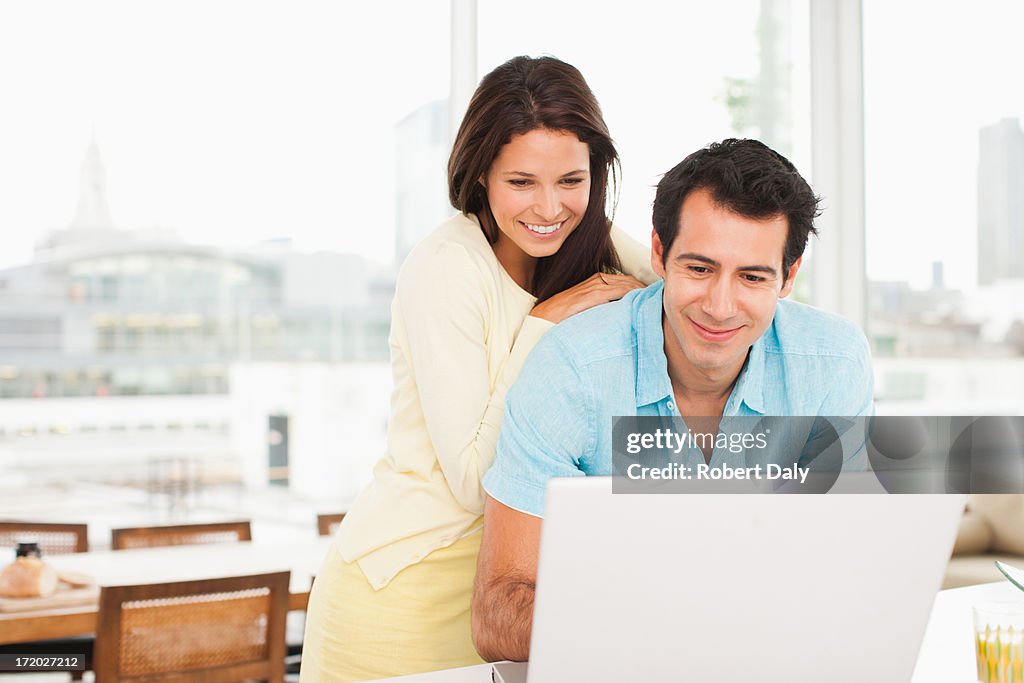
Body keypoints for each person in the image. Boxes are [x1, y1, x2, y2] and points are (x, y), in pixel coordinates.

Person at [300, 56, 657, 682]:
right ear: (482, 175)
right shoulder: (446, 267)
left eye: (571, 181)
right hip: (404, 596)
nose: (550, 207)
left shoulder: (589, 239)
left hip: (512, 597)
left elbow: (684, 290)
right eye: (522, 182)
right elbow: (472, 479)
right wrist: (548, 321)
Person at [471, 138, 875, 662]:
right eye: (700, 269)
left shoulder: (834, 364)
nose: (720, 306)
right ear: (660, 254)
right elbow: (497, 614)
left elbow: (842, 566)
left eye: (753, 277)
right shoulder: (572, 369)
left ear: (789, 277)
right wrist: (681, 624)